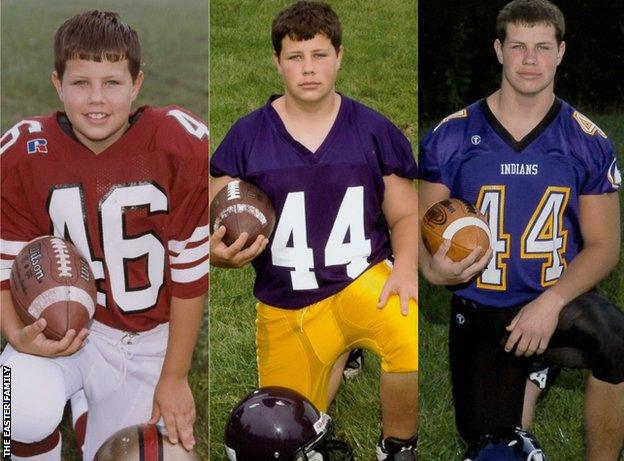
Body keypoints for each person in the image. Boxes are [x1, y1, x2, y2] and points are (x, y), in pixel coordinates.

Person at [210, 1, 419, 459]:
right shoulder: (246, 137)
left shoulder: (371, 130)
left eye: (320, 55)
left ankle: (398, 445)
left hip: (359, 279)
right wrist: (217, 252)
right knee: (283, 430)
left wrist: (405, 268)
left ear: (340, 56)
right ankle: (341, 353)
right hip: (287, 300)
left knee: (409, 330)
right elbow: (216, 213)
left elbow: (405, 214)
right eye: (295, 56)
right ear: (276, 62)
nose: (309, 68)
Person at [418, 0, 624, 458]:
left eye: (542, 47)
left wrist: (550, 303)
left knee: (617, 343)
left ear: (561, 52)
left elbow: (605, 245)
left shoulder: (586, 141)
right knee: (491, 445)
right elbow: (423, 232)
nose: (530, 60)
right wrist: (433, 272)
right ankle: (532, 376)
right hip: (482, 304)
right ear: (498, 50)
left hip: (557, 297)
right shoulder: (452, 135)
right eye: (518, 46)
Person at [0, 10, 209, 460]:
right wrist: (16, 334)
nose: (96, 99)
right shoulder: (25, 151)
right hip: (63, 334)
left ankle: (86, 410)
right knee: (10, 404)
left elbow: (192, 276)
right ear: (58, 84)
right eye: (80, 83)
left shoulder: (177, 144)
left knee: (165, 457)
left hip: (150, 341)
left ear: (136, 84)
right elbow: (5, 267)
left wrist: (175, 376)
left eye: (112, 83)